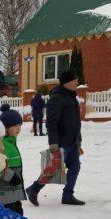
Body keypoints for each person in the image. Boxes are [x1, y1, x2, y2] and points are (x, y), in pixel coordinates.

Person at [26, 70, 85, 206]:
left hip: (73, 141)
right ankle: (34, 189)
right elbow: (51, 122)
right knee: (53, 169)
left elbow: (76, 122)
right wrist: (53, 143)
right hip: (62, 142)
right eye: (74, 80)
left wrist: (79, 141)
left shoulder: (71, 97)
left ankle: (68, 195)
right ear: (67, 82)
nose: (77, 82)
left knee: (75, 168)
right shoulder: (57, 98)